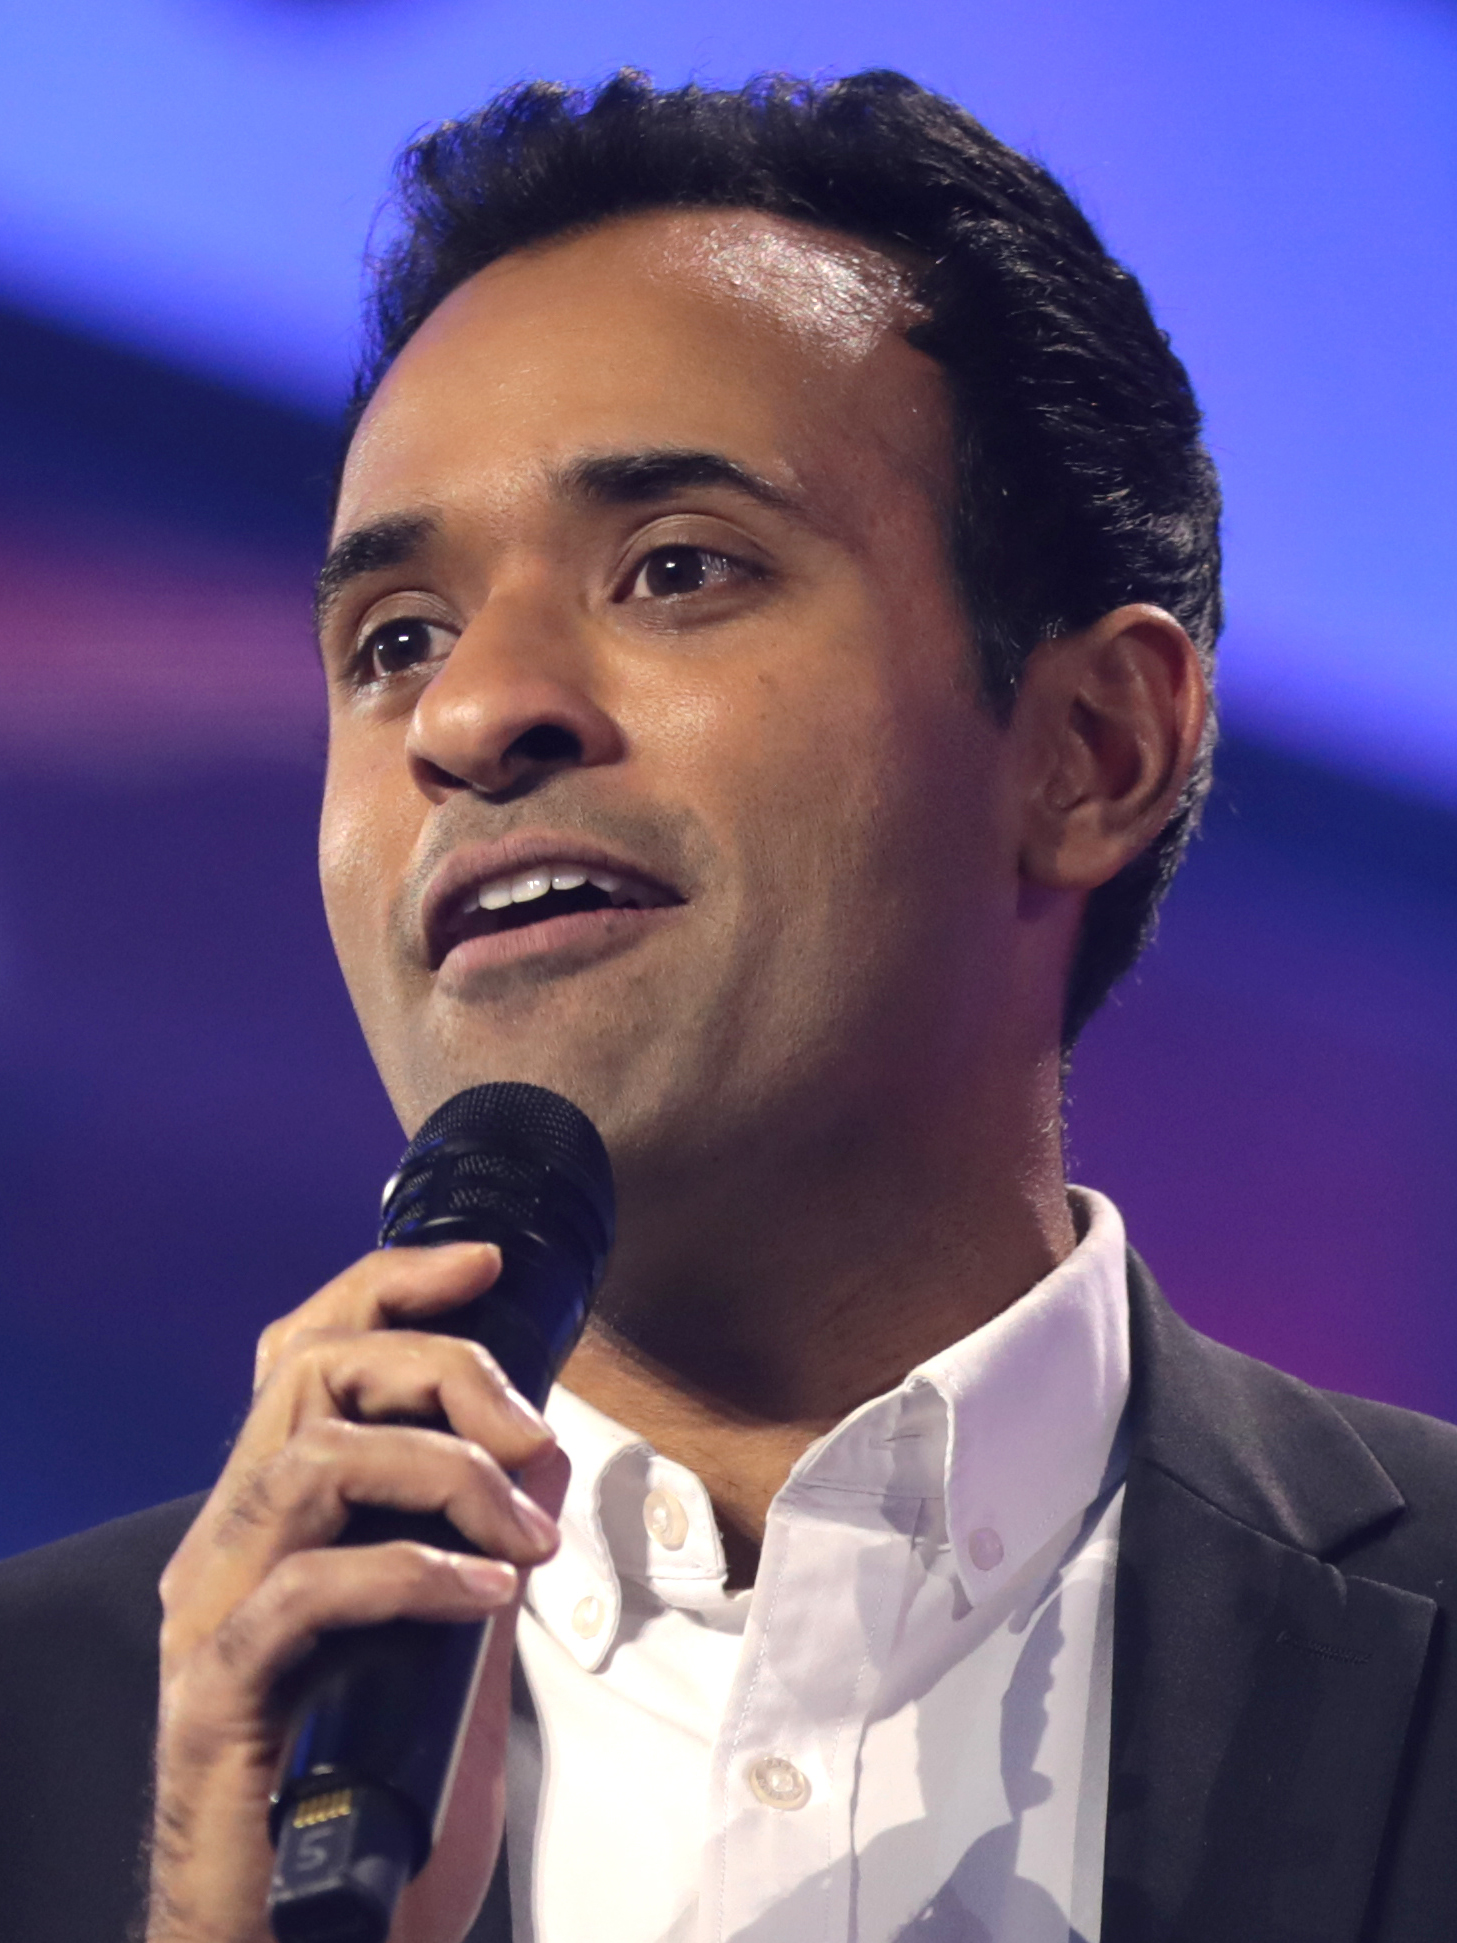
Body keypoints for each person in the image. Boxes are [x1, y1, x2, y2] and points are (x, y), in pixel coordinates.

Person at [2, 68, 1455, 1943]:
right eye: (395, 641)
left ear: (1091, 747)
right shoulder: (59, 1753)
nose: (470, 716)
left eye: (675, 569)